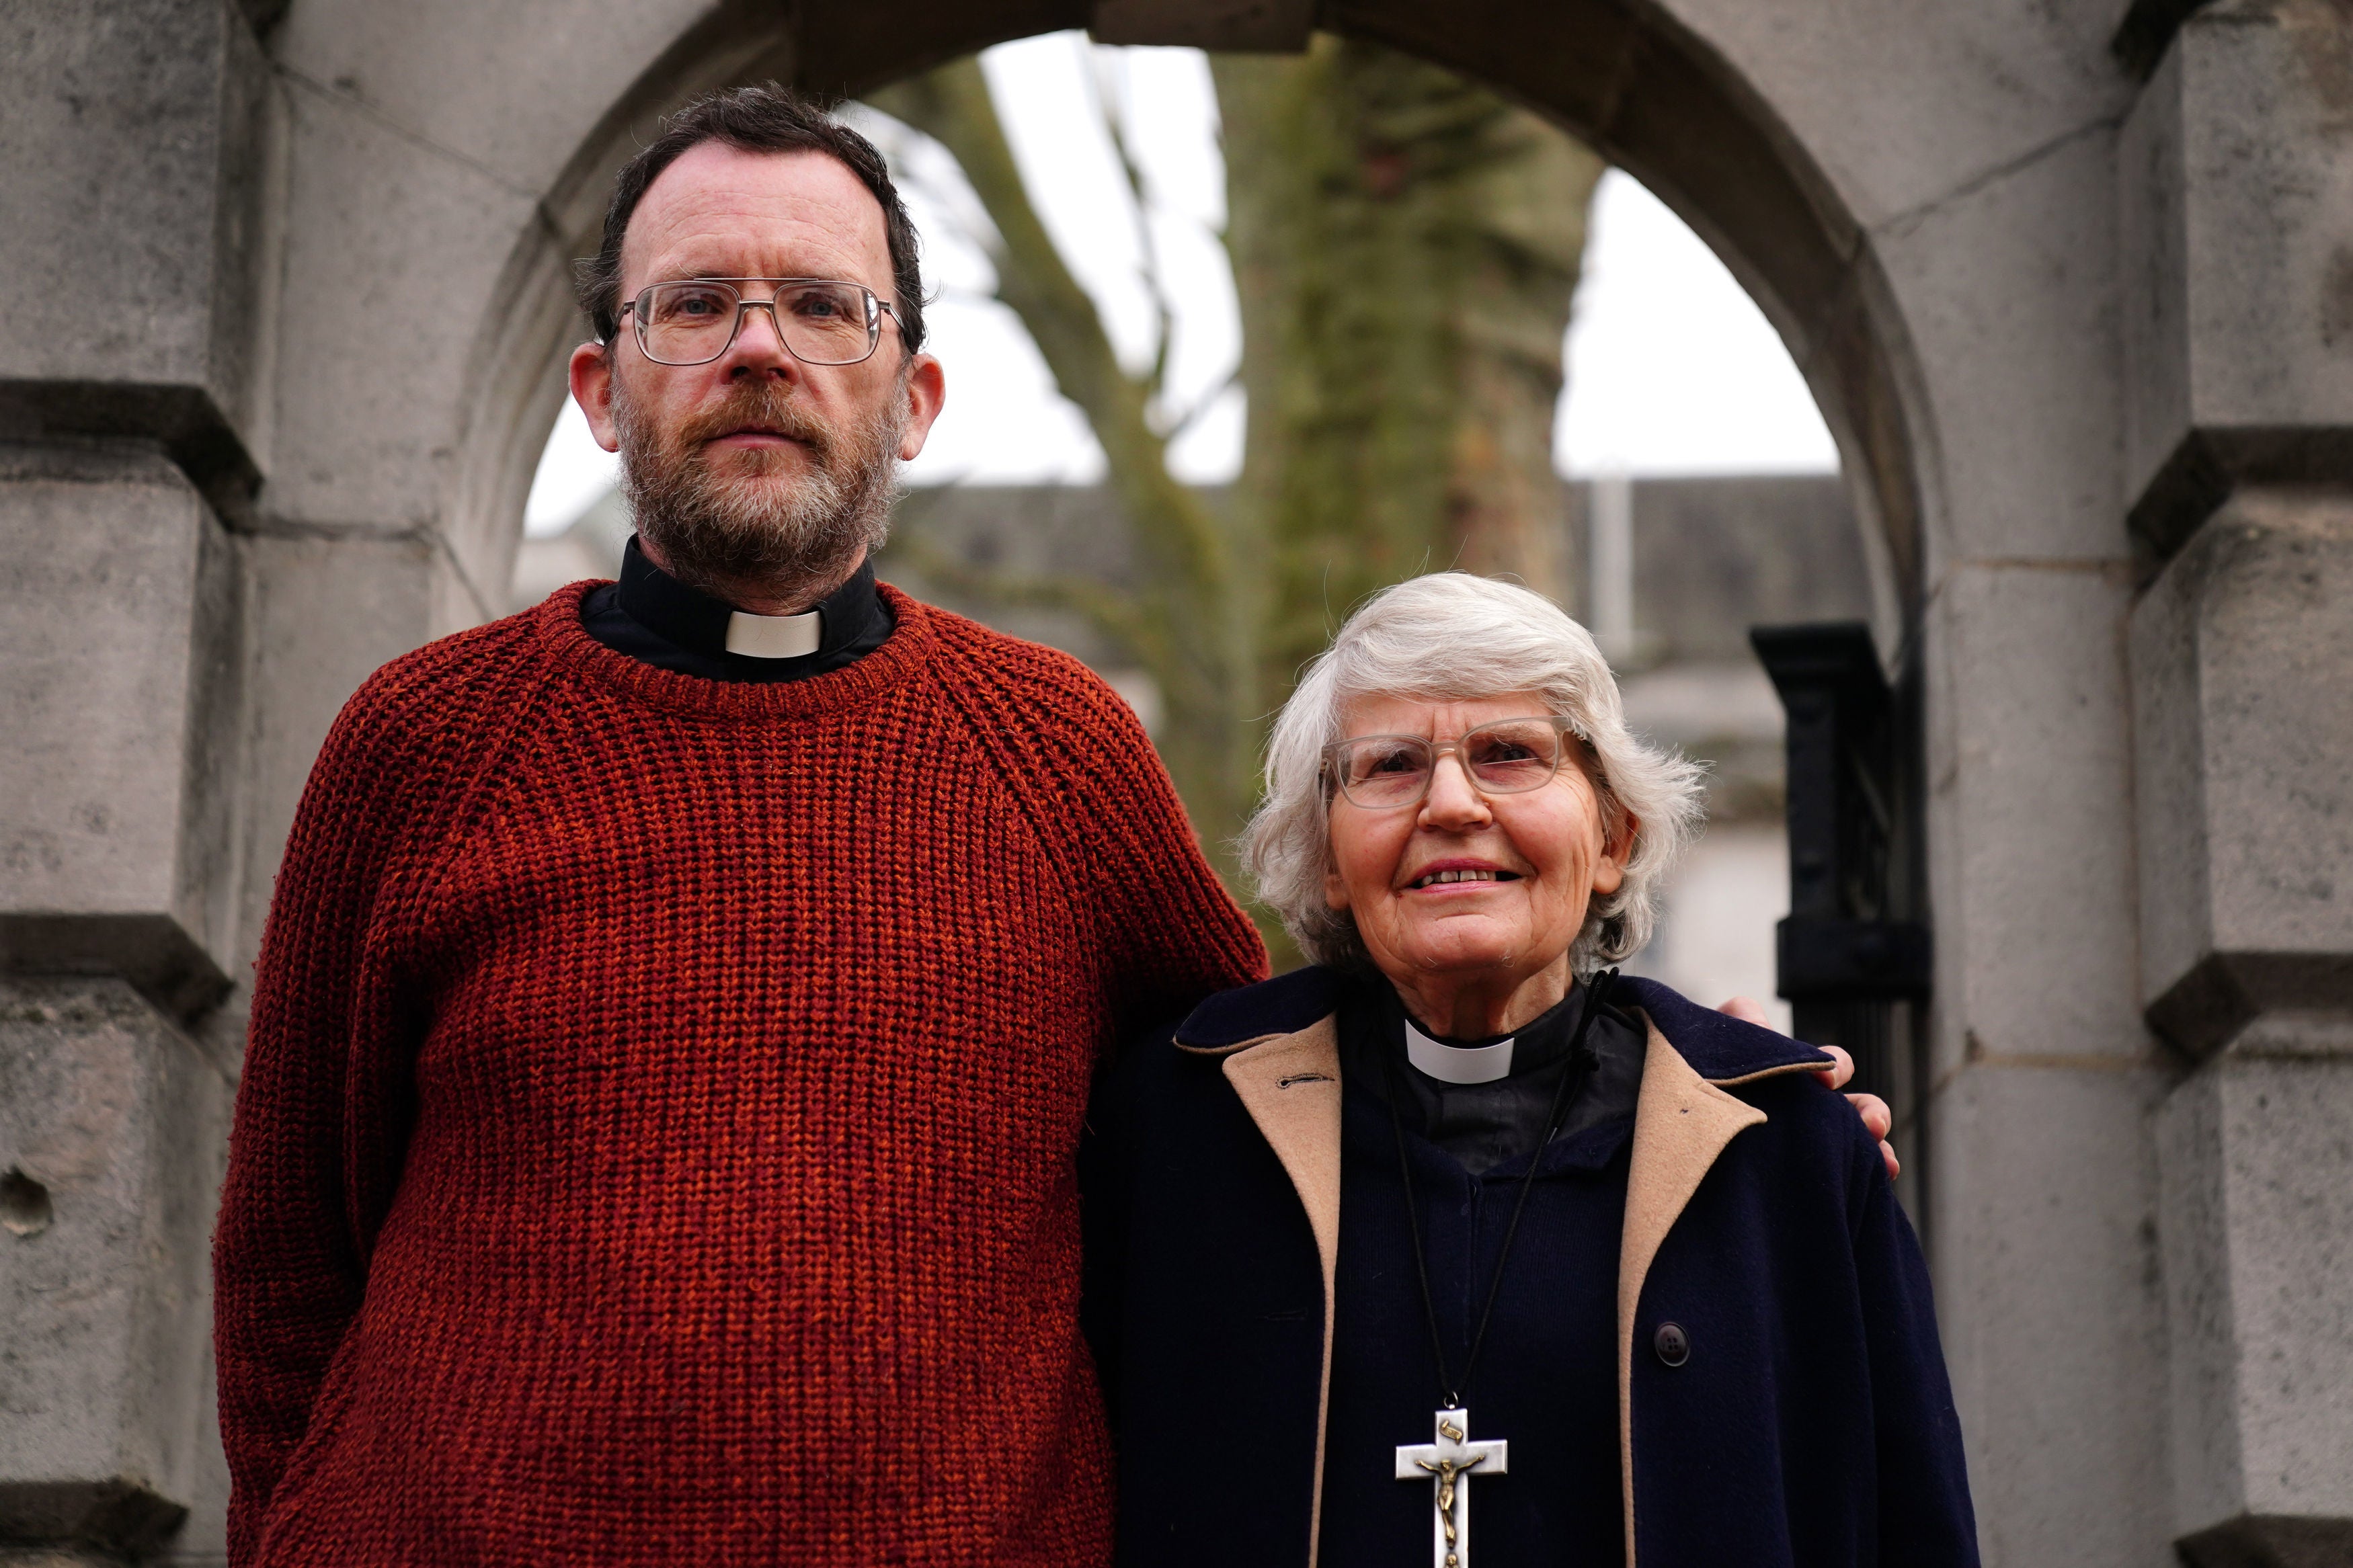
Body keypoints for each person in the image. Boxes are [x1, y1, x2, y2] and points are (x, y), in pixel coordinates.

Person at [212, 85, 1899, 1567]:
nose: (757, 345)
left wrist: (1678, 1084)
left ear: (916, 394)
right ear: (598, 385)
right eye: (694, 303)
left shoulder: (1054, 751)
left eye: (821, 304)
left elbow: (1310, 1085)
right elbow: (289, 1252)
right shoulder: (424, 742)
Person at [1083, 573, 1977, 1567]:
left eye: (1510, 754)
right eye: (1390, 765)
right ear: (1330, 856)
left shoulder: (1785, 1149)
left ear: (1613, 836)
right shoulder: (1183, 1129)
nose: (1452, 803)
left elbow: (1914, 1529)